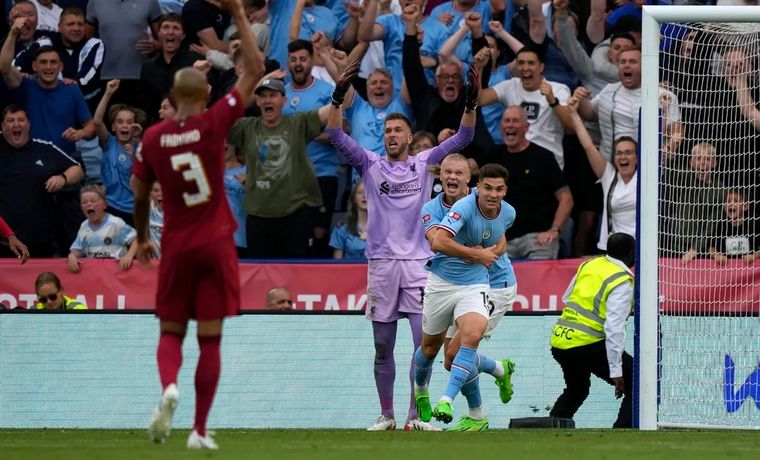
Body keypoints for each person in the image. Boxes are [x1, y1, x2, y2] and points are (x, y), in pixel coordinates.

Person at [131, 0, 263, 450]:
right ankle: (199, 430)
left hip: (177, 243)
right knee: (211, 340)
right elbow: (255, 69)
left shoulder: (152, 138)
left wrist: (143, 236)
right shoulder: (213, 123)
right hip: (217, 242)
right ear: (204, 94)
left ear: (172, 95)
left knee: (170, 330)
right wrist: (240, 15)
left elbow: (138, 192)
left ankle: (169, 386)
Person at [327, 61, 478, 431]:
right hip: (380, 264)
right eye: (387, 130)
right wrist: (336, 99)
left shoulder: (425, 163)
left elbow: (462, 140)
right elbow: (334, 134)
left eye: (398, 130)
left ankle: (416, 416)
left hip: (418, 266)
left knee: (422, 346)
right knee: (382, 345)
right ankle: (387, 415)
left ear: (410, 138)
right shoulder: (370, 164)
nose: (391, 134)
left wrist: (470, 104)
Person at [412, 162, 514, 430]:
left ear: (470, 179)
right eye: (448, 172)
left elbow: (502, 236)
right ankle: (498, 370)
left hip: (495, 284)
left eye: (459, 172)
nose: (452, 177)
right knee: (438, 353)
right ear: (440, 176)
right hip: (444, 284)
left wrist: (489, 254)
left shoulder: (498, 207)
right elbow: (438, 241)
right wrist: (477, 254)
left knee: (461, 349)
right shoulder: (434, 209)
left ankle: (469, 411)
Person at [549, 232, 636, 428]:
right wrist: (616, 370)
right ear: (631, 254)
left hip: (560, 340)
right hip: (587, 343)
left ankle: (550, 427)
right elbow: (614, 328)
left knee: (577, 389)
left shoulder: (589, 264)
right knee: (637, 380)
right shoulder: (622, 280)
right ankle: (623, 433)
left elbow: (567, 297)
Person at [478, 105, 573, 260]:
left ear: (526, 127)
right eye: (506, 121)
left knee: (540, 280)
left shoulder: (543, 157)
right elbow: (466, 168)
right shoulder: (493, 155)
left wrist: (554, 230)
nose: (510, 125)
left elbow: (566, 198)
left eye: (515, 121)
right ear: (501, 127)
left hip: (538, 240)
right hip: (501, 241)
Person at [0, 104, 84, 258]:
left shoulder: (44, 149)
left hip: (40, 240)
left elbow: (77, 170)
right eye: (10, 121)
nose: (16, 124)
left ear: (28, 124)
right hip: (3, 240)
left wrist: (62, 178)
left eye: (21, 120)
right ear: (3, 126)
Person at [569, 96, 637, 251]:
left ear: (637, 158)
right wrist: (573, 113)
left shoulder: (646, 179)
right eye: (619, 153)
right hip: (612, 249)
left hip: (640, 248)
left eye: (628, 153)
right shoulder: (609, 176)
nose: (623, 157)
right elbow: (588, 145)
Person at [67, 184, 138, 273]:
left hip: (116, 274)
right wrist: (72, 256)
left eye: (93, 201)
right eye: (84, 202)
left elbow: (137, 240)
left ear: (105, 204)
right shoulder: (84, 226)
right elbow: (77, 250)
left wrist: (129, 256)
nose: (88, 204)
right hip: (96, 275)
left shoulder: (115, 223)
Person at [330, 180, 367, 260]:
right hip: (351, 272)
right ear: (354, 199)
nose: (364, 196)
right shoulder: (342, 229)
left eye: (368, 192)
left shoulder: (383, 229)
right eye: (360, 192)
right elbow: (337, 266)